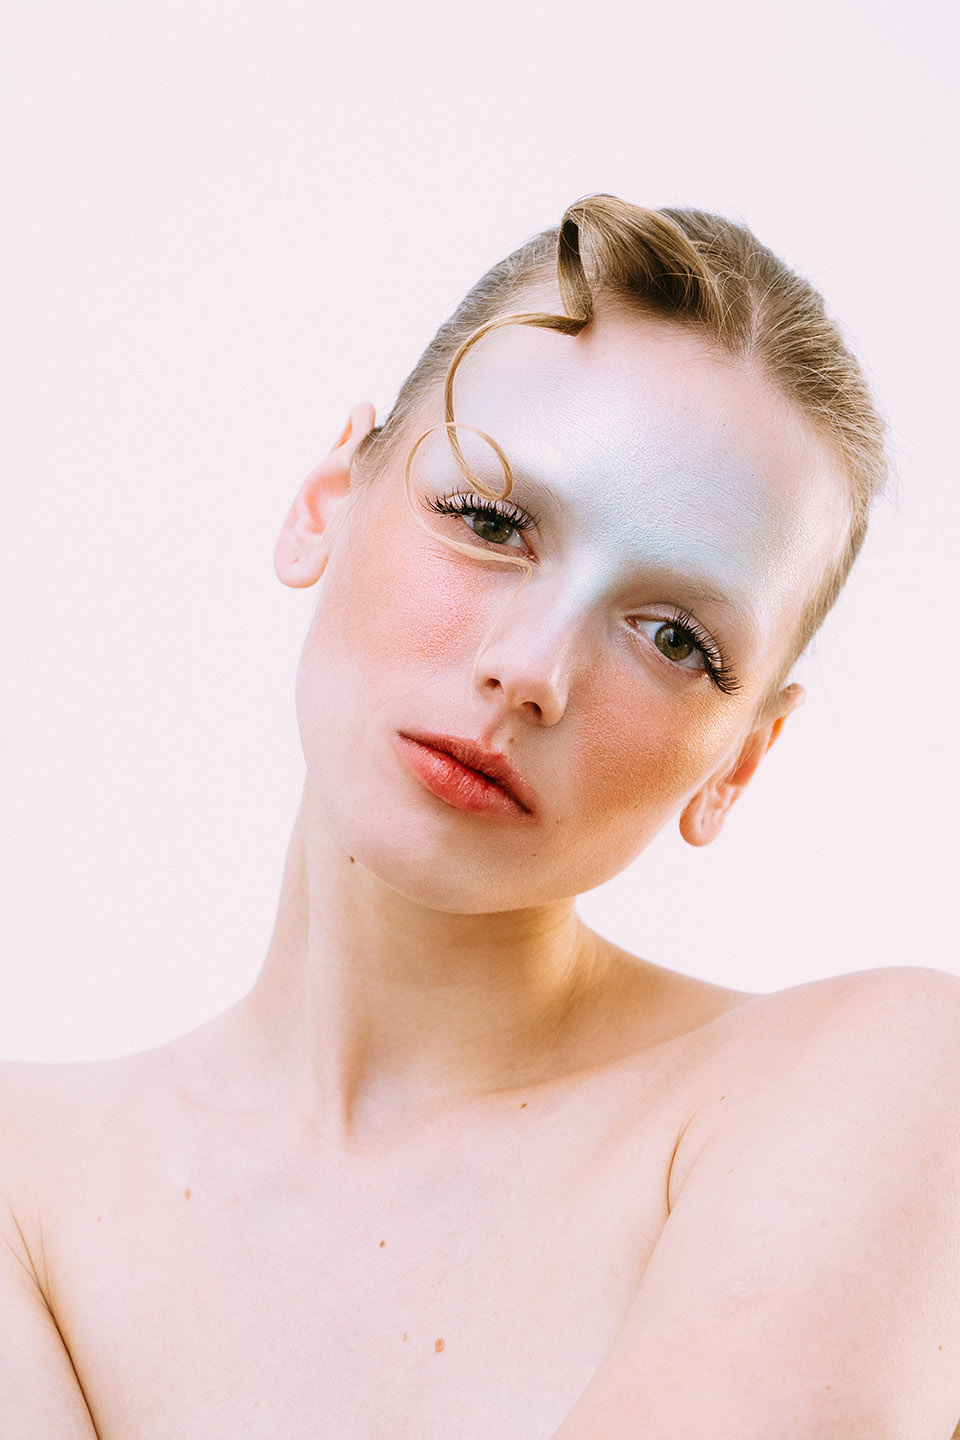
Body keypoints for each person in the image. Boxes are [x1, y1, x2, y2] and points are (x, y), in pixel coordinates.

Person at [3, 193, 959, 1439]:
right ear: (326, 502)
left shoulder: (872, 1082)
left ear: (741, 761)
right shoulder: (23, 1176)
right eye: (492, 522)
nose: (532, 670)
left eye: (675, 638)